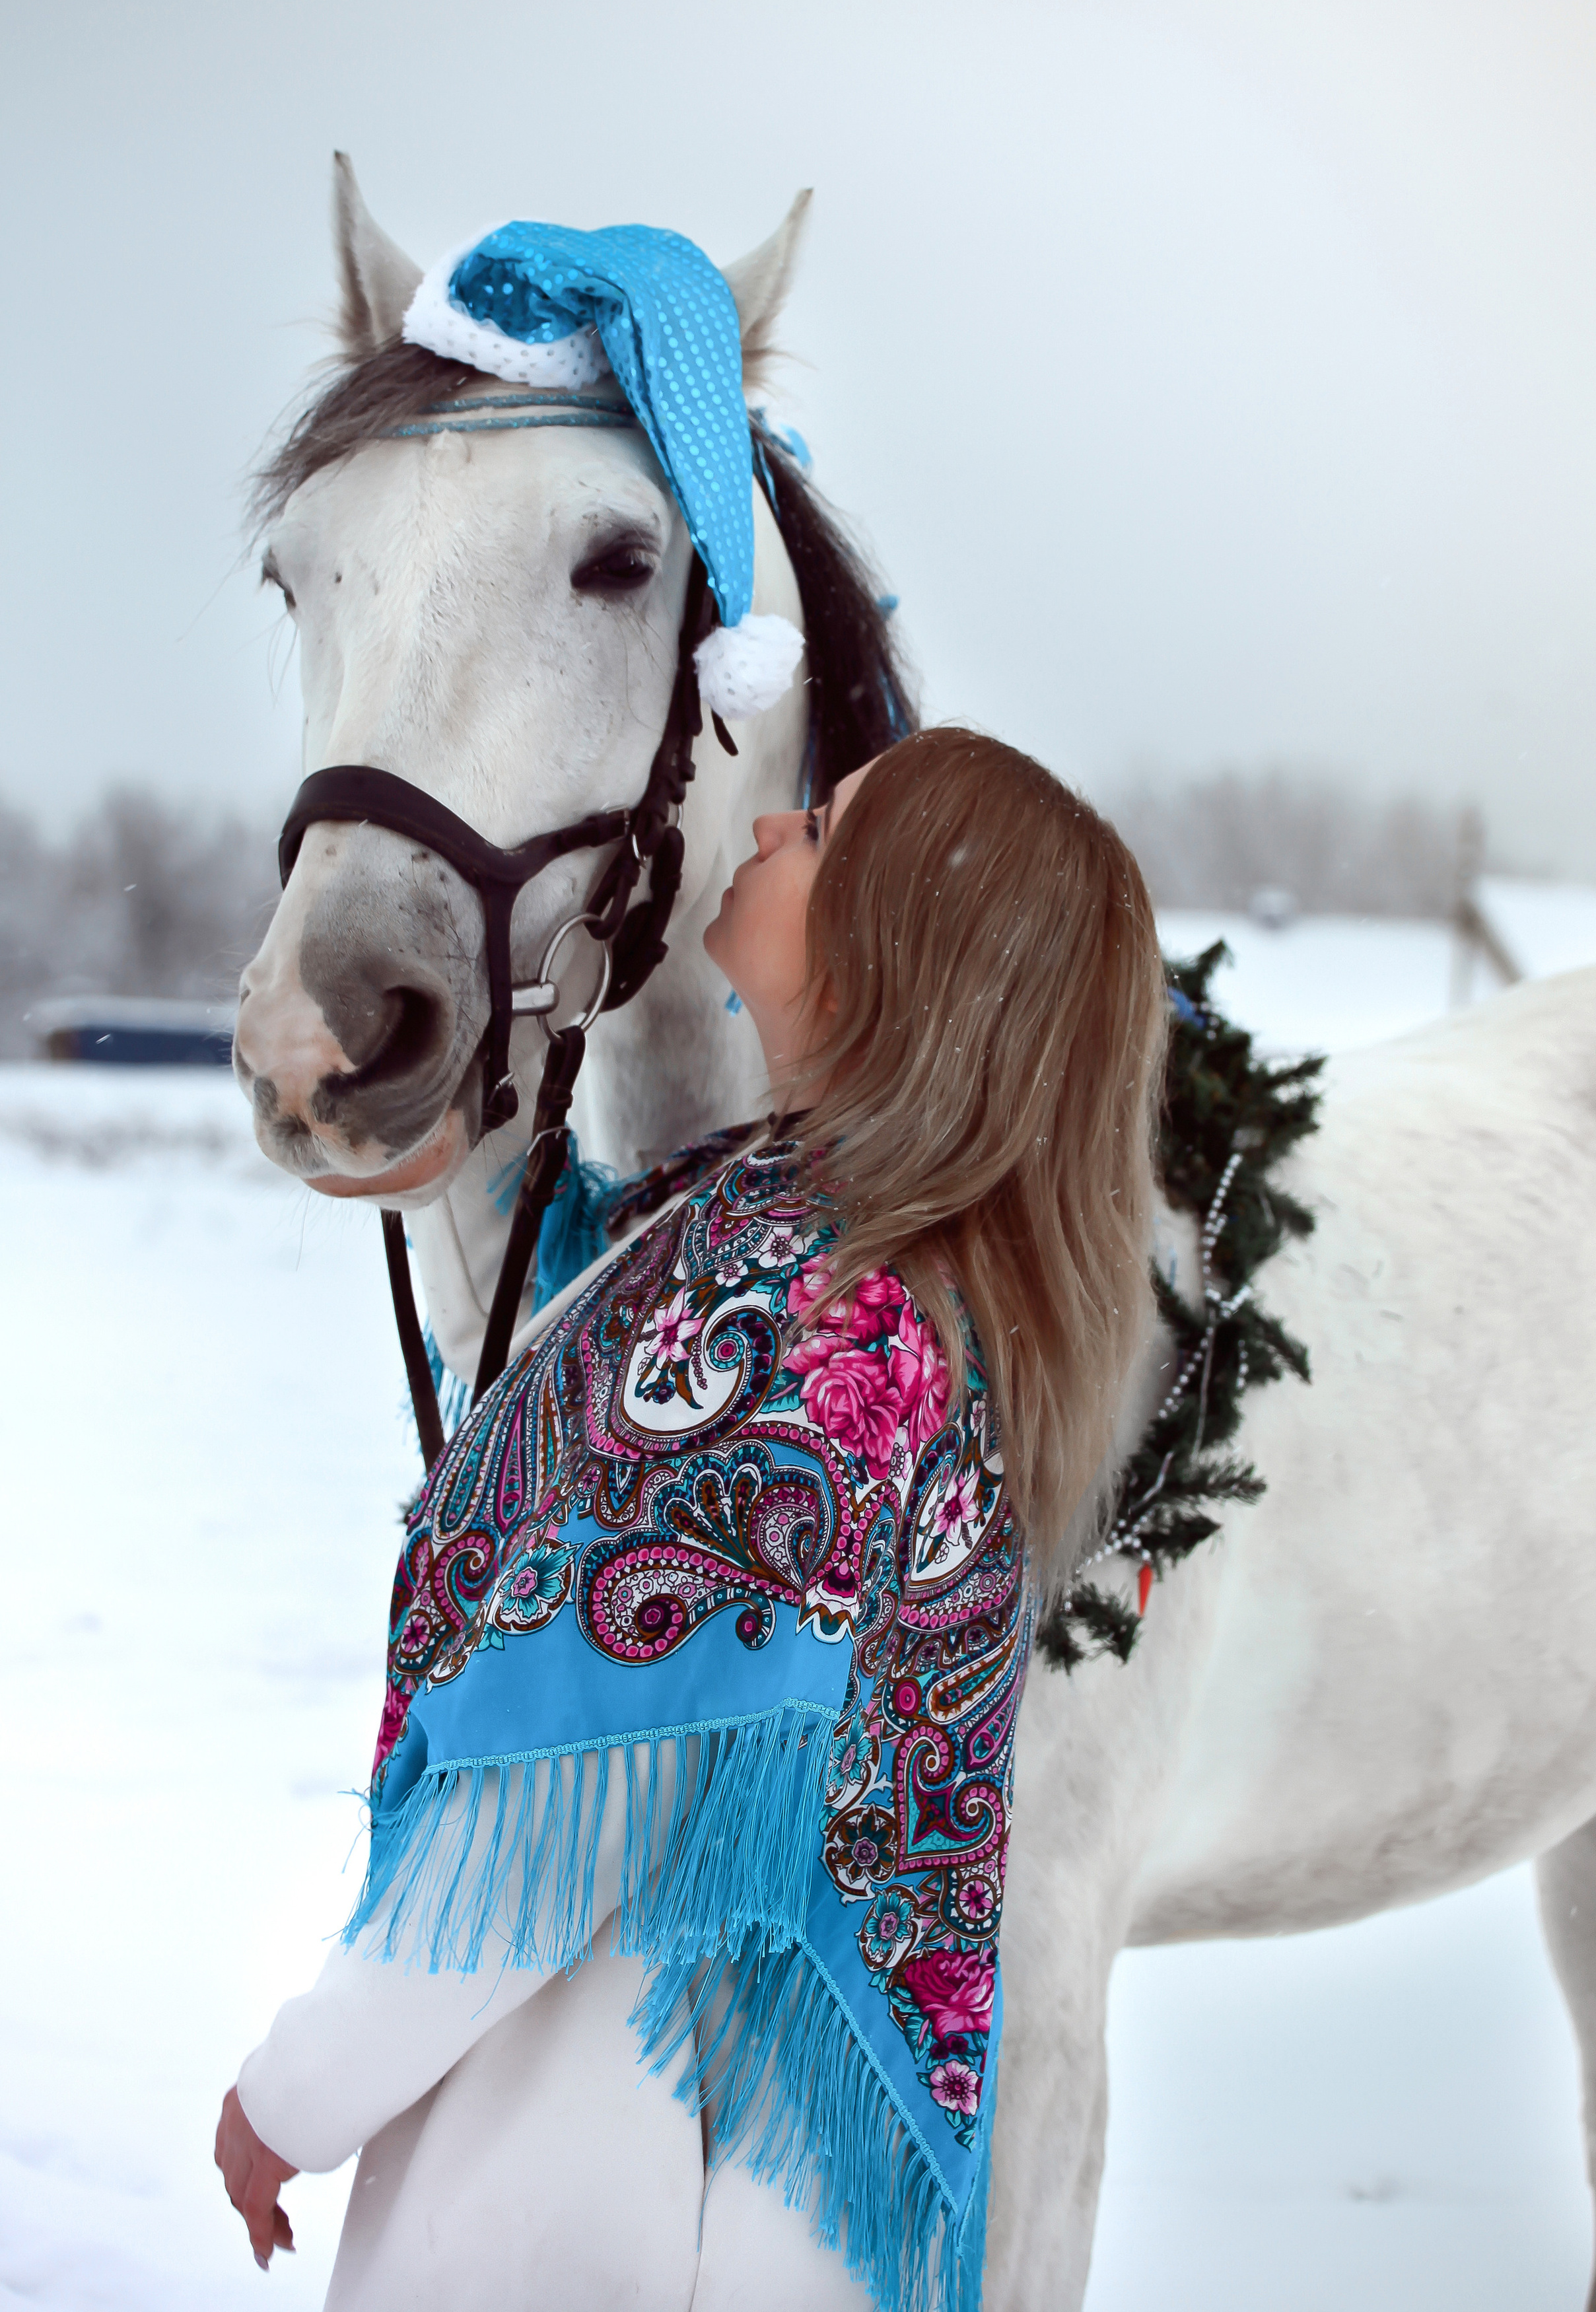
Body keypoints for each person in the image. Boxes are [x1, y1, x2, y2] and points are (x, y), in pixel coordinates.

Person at [215, 724, 1167, 2312]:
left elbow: (573, 1798)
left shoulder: (814, 1334)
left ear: (893, 959)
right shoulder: (805, 1239)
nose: (775, 823)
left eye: (827, 828)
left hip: (618, 2165)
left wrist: (298, 2092)